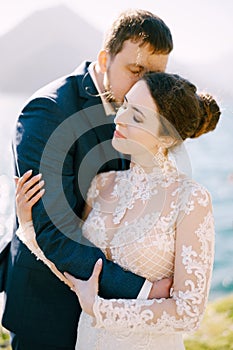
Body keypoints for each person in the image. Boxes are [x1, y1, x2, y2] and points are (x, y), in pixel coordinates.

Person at [1, 9, 173, 350]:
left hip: (113, 318)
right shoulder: (49, 111)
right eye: (135, 70)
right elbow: (53, 230)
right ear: (104, 58)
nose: (144, 87)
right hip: (48, 304)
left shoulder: (142, 112)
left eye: (153, 77)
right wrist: (142, 290)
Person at [15, 72, 221, 349]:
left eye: (136, 116)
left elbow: (188, 313)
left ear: (167, 137)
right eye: (124, 105)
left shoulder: (191, 199)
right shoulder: (103, 183)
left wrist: (100, 310)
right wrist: (28, 225)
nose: (119, 118)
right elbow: (79, 276)